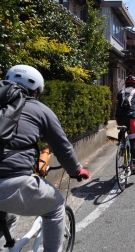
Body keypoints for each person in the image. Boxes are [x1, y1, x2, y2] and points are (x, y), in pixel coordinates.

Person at [0, 65, 90, 252]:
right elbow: (62, 147)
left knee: (9, 215)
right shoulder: (38, 109)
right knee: (56, 207)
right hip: (10, 183)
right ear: (35, 90)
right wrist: (76, 170)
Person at [115, 75, 135, 175]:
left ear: (126, 84)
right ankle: (133, 163)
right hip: (131, 118)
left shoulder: (120, 93)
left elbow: (116, 104)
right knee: (133, 140)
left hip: (119, 118)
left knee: (122, 130)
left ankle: (121, 144)